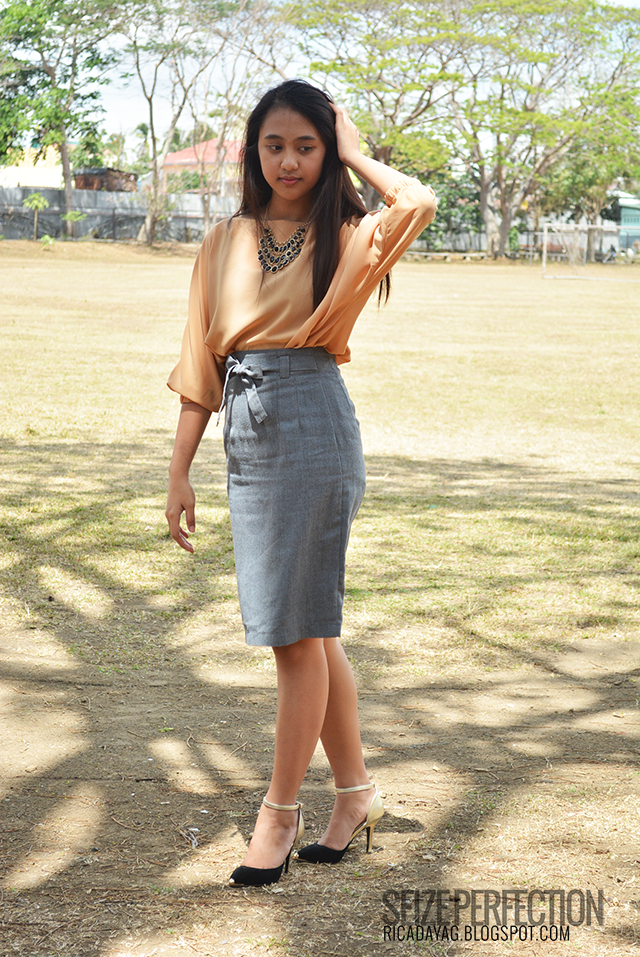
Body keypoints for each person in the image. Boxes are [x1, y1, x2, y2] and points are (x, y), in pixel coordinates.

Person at [165, 79, 437, 888]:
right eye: (274, 144)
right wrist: (178, 469)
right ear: (254, 151)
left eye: (307, 146)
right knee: (309, 630)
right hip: (247, 428)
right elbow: (201, 363)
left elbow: (418, 201)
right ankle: (355, 795)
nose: (288, 160)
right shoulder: (224, 240)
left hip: (314, 421)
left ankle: (278, 813)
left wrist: (356, 152)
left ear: (328, 151)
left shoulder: (350, 233)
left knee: (293, 632)